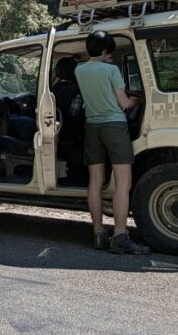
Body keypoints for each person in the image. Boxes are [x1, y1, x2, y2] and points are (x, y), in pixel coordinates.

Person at [74, 31, 150, 255]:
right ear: (106, 51)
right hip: (114, 126)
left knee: (95, 181)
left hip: (92, 126)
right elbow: (125, 103)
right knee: (122, 182)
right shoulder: (112, 70)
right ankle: (120, 234)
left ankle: (98, 232)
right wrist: (137, 99)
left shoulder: (79, 70)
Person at [52, 57, 86, 185]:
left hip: (54, 132)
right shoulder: (78, 90)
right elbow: (74, 116)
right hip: (71, 135)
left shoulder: (52, 90)